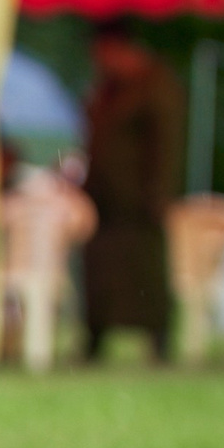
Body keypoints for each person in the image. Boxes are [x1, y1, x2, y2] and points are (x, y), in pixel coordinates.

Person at [82, 19, 182, 361]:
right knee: (101, 275)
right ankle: (95, 338)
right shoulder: (108, 90)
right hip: (106, 205)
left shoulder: (155, 85)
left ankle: (159, 339)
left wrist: (158, 194)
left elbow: (166, 146)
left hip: (141, 205)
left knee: (147, 274)